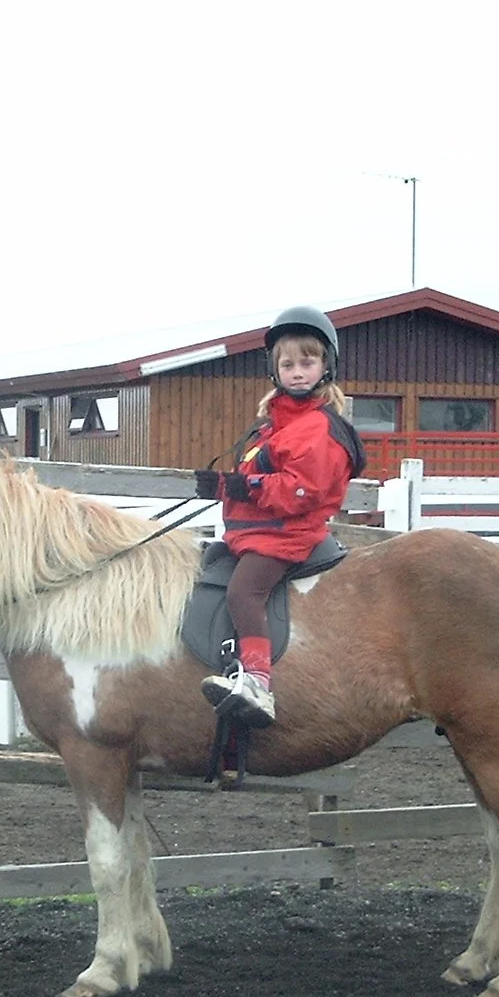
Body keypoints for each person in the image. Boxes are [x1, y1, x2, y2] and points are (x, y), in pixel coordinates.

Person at [193, 305, 365, 727]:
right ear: (276, 371)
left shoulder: (319, 429)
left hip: (286, 534)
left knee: (242, 594)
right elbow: (259, 479)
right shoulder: (275, 425)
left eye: (307, 362)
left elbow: (300, 491)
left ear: (326, 366)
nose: (297, 372)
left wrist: (240, 487)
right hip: (256, 533)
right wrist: (223, 486)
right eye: (287, 364)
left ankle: (257, 682)